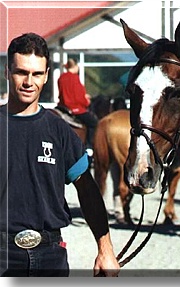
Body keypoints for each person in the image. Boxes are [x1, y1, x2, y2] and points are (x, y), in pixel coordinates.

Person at [0, 33, 120, 277]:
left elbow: (87, 190)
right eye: (21, 72)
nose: (28, 82)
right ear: (7, 72)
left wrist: (105, 249)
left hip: (50, 256)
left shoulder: (60, 131)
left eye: (36, 74)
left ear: (45, 77)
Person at [57, 58, 97, 157]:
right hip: (76, 109)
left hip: (62, 107)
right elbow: (79, 98)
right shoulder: (74, 78)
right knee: (94, 123)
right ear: (75, 67)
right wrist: (86, 101)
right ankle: (89, 147)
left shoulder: (61, 78)